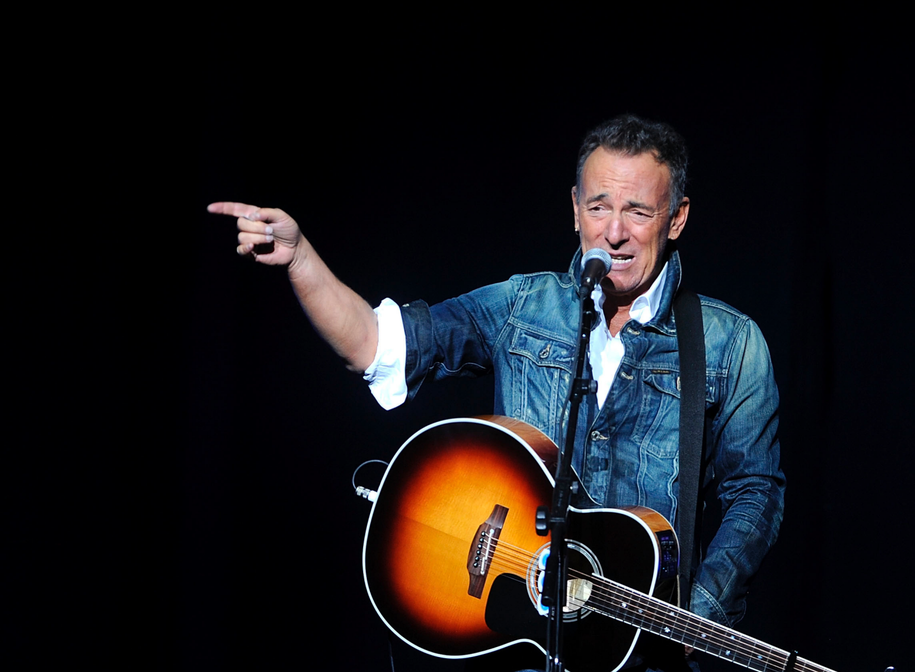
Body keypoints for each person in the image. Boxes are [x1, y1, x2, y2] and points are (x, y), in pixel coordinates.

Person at [210, 115, 785, 670]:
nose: (614, 232)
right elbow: (376, 346)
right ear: (575, 210)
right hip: (521, 642)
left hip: (644, 653)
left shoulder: (730, 344)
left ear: (677, 218)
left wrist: (694, 619)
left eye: (637, 211)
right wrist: (301, 260)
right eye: (598, 207)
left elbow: (755, 495)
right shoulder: (522, 308)